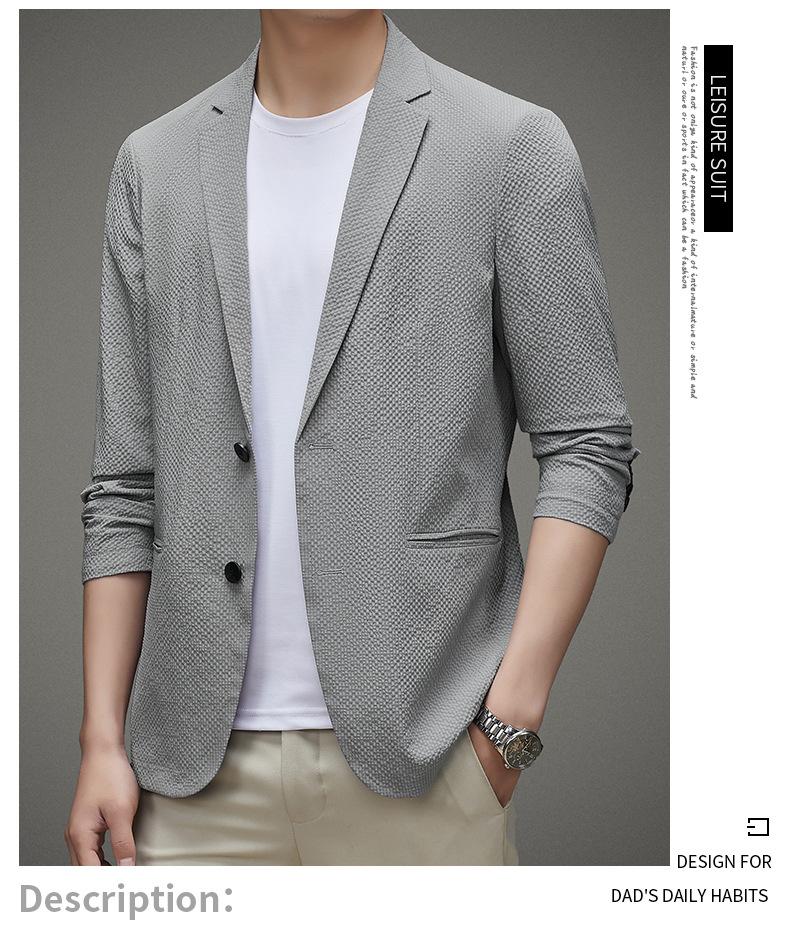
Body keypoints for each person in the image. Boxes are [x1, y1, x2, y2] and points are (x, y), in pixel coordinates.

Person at [66, 10, 639, 866]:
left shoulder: (508, 147)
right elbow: (125, 483)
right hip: (186, 782)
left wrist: (509, 721)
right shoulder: (155, 165)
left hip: (427, 760)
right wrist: (102, 740)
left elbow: (588, 443)